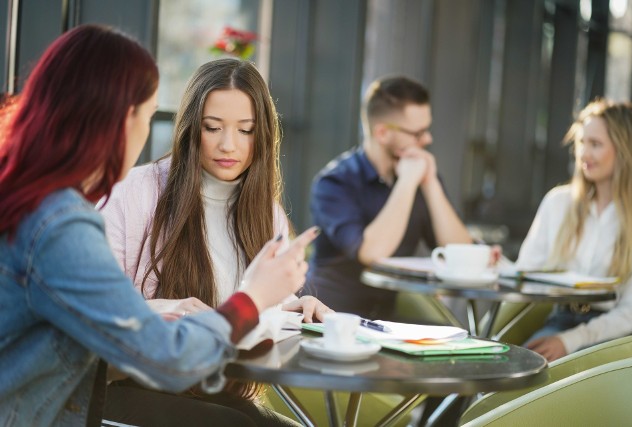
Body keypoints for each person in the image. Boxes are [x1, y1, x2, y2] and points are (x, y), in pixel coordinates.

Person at [0, 25, 318, 427]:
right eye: (149, 116)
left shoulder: (30, 201)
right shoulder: (60, 225)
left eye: (245, 130)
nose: (228, 144)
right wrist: (251, 298)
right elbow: (162, 358)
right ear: (118, 120)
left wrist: (279, 304)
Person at [99, 58, 331, 426]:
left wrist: (291, 306)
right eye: (213, 127)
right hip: (125, 387)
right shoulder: (132, 195)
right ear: (192, 128)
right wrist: (164, 309)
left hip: (209, 388)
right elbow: (94, 316)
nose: (228, 145)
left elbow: (249, 302)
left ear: (264, 134)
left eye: (246, 130)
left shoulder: (265, 214)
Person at [304, 75, 472, 320]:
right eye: (418, 133)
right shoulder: (334, 183)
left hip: (391, 323)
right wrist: (406, 183)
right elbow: (371, 253)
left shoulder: (419, 176)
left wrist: (431, 184)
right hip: (330, 320)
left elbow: (461, 253)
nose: (427, 140)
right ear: (382, 132)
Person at [518, 99, 632, 362]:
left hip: (615, 337)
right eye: (582, 143)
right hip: (559, 319)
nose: (584, 154)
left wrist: (569, 341)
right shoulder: (558, 202)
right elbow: (526, 272)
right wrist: (496, 265)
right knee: (510, 374)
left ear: (624, 150)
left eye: (595, 144)